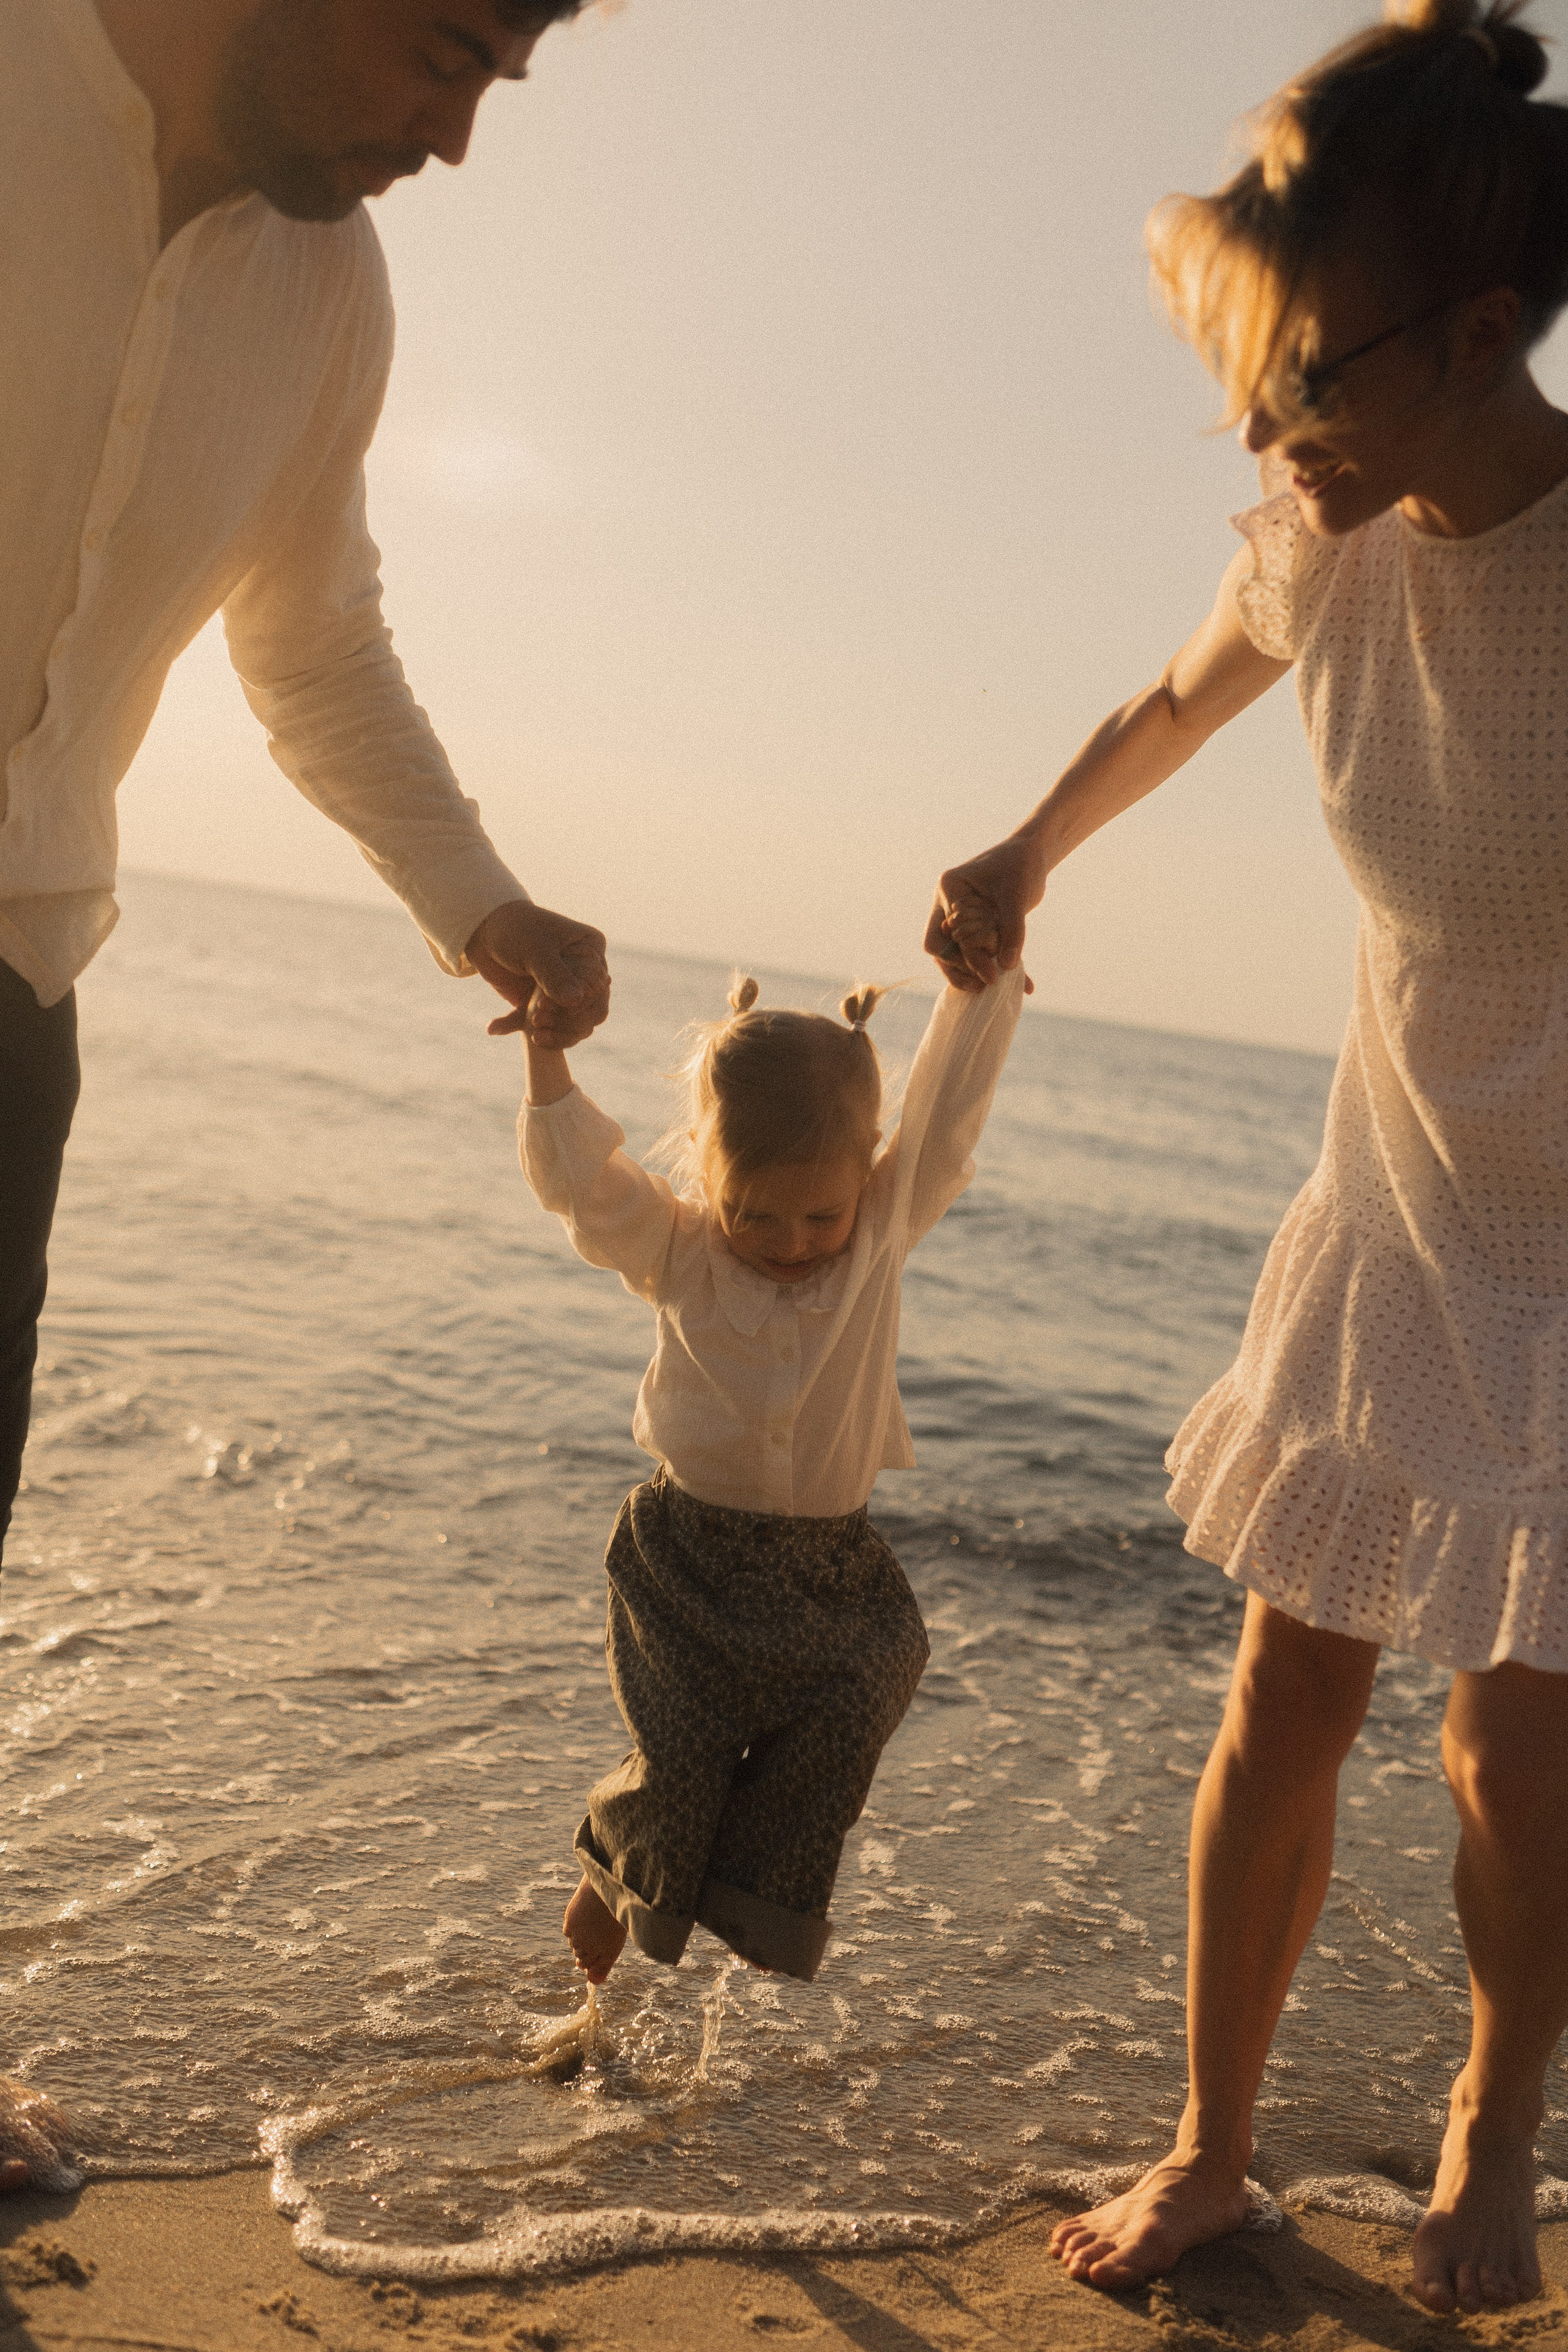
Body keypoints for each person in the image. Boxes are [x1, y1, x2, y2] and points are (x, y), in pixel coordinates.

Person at [927, 0, 1568, 2318]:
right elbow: (1175, 698)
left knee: (1515, 1754)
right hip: (1401, 1185)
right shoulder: (1328, 539)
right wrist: (1023, 850)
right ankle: (1215, 2148)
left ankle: (1499, 2125)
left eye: (1313, 375)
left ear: (1484, 333)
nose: (1264, 426)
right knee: (1285, 1686)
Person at [1, 0, 613, 2187]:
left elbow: (313, 638)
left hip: (17, 960)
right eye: (445, 53)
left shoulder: (327, 289)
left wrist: (487, 905)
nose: (453, 138)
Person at [518, 963, 1025, 1982]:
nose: (789, 1244)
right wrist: (546, 1057)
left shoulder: (880, 1236)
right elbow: (587, 1188)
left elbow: (946, 1117)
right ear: (708, 1175)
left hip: (830, 1565)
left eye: (819, 1219)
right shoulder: (677, 1246)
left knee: (861, 1696)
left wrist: (986, 985)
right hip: (686, 1560)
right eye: (754, 1214)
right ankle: (619, 1872)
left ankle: (739, 1897)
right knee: (685, 1757)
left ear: (868, 1181)